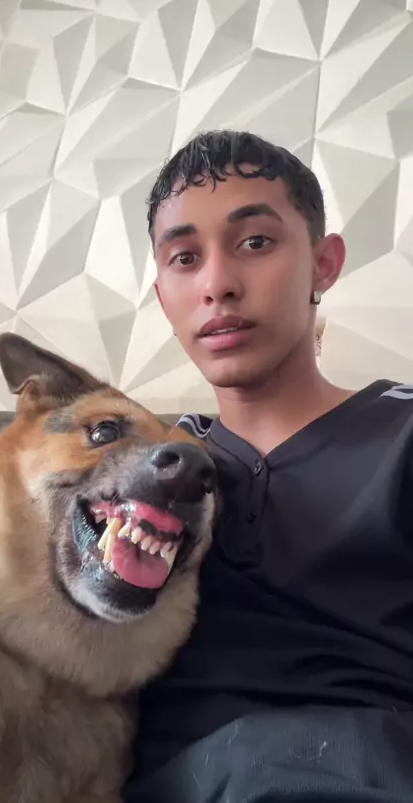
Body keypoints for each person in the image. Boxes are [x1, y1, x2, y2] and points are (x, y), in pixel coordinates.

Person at [123, 130, 413, 803]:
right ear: (164, 298)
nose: (217, 285)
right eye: (185, 258)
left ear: (323, 263)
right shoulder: (141, 466)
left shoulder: (400, 433)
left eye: (255, 242)